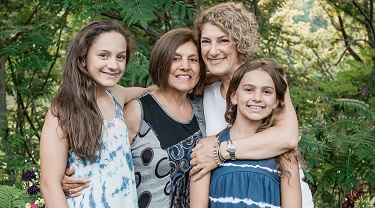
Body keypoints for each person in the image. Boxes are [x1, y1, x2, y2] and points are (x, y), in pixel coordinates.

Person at [189, 2, 314, 207]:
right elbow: (161, 91)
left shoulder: (267, 83)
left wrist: (220, 153)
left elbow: (288, 138)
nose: (212, 51)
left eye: (223, 40)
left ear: (240, 42)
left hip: (277, 195)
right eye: (205, 41)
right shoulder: (203, 88)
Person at [39, 20, 145, 207]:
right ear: (82, 59)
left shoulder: (117, 95)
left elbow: (156, 90)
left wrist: (206, 78)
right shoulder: (63, 109)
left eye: (120, 57)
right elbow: (50, 184)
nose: (113, 65)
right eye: (103, 55)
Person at [190, 58, 303, 207]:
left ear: (276, 102)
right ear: (233, 96)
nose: (257, 98)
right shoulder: (206, 148)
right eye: (249, 89)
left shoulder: (285, 157)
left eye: (267, 92)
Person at [124, 28, 206, 207]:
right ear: (161, 61)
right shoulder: (137, 111)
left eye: (193, 59)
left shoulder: (201, 108)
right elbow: (107, 167)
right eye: (175, 58)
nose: (185, 66)